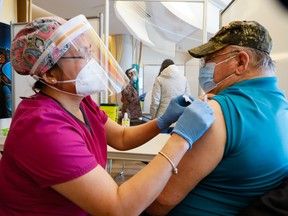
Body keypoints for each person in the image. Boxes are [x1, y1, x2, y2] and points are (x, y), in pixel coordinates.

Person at [0, 15, 215, 215]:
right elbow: (119, 208)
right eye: (82, 55)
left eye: (90, 51)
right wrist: (180, 140)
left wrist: (162, 121)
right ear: (50, 74)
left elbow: (121, 137)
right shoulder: (43, 127)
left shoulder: (82, 103)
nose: (92, 62)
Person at [145, 21, 288, 215]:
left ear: (240, 61)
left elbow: (158, 201)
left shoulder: (216, 114)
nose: (204, 68)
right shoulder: (282, 108)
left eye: (210, 60)